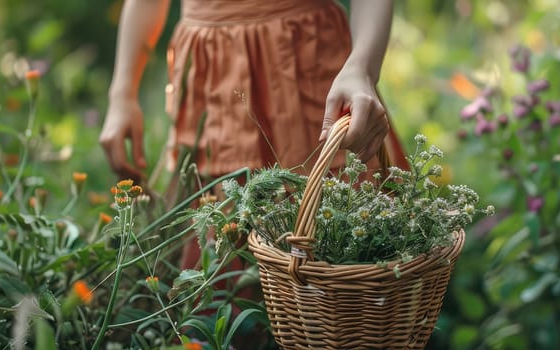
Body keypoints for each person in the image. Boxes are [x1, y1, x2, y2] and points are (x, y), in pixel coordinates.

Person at [100, 0, 405, 277]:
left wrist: (362, 68)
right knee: (220, 275)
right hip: (212, 81)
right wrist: (122, 94)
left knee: (343, 260)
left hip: (308, 69)